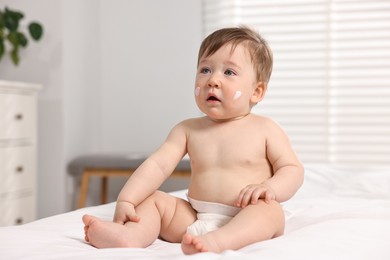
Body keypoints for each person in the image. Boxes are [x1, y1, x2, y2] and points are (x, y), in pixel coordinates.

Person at [82, 26, 304, 254]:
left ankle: (218, 242)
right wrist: (127, 200)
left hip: (246, 213)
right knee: (156, 201)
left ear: (256, 92)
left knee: (270, 211)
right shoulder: (188, 129)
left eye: (229, 73)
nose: (213, 80)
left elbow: (292, 169)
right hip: (195, 216)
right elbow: (157, 166)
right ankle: (130, 236)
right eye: (205, 69)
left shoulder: (265, 128)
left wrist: (269, 188)